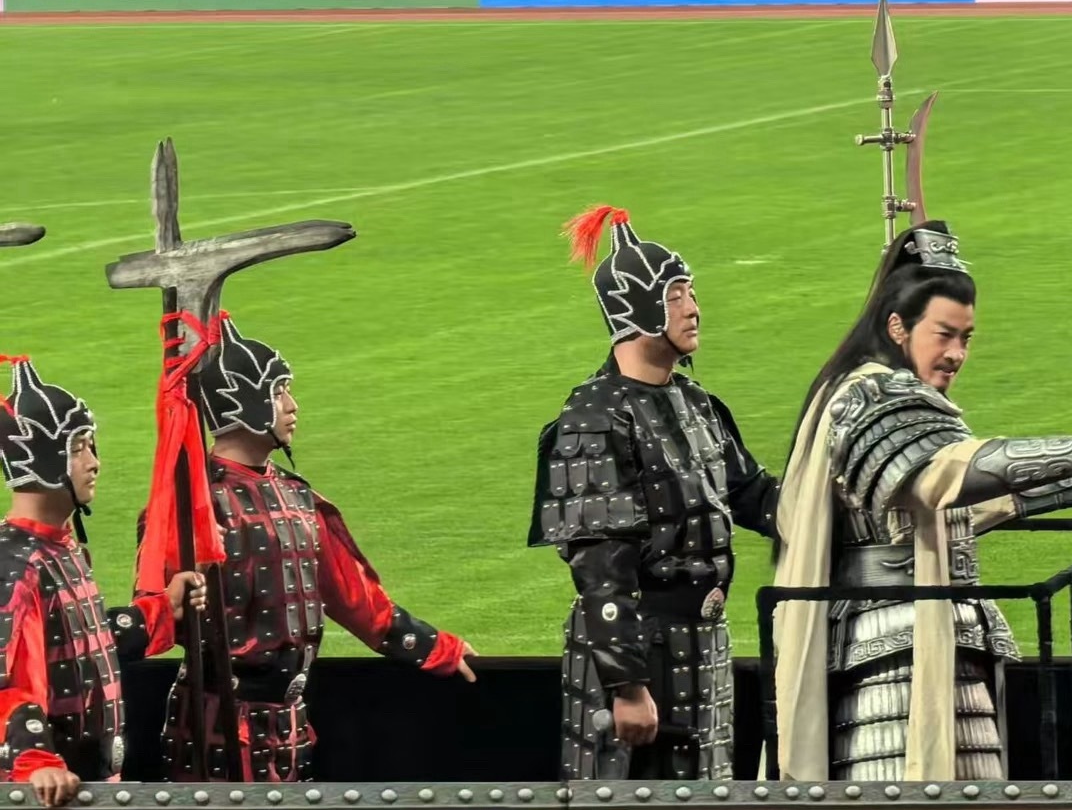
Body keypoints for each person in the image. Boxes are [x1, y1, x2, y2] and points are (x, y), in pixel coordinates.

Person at [769, 220, 1072, 782]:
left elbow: (953, 508)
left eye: (966, 338)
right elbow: (941, 476)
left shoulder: (897, 394)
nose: (956, 353)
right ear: (897, 326)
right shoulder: (870, 393)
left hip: (942, 637)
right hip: (888, 649)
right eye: (944, 334)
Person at [136, 315, 476, 783]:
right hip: (214, 723)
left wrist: (435, 647)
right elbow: (159, 612)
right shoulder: (188, 504)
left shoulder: (298, 497)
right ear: (243, 401)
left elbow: (357, 600)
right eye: (278, 392)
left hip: (290, 721)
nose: (292, 406)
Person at [528, 204, 780, 781]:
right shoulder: (593, 416)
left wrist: (841, 502)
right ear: (634, 308)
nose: (693, 308)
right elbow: (601, 566)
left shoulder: (697, 404)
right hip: (639, 653)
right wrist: (627, 683)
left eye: (690, 292)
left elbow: (754, 495)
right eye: (674, 296)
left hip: (704, 644)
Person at [0, 355, 204, 807]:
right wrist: (35, 760)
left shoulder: (62, 549)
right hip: (45, 793)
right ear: (42, 456)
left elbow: (78, 647)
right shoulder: (13, 563)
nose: (94, 462)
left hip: (90, 789)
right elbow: (8, 682)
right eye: (79, 448)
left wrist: (160, 611)